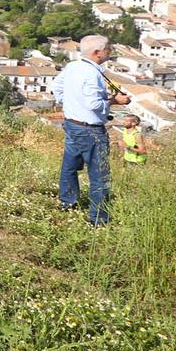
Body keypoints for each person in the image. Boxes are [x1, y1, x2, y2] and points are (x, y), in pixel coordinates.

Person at [51, 34, 131, 226]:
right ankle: (98, 218)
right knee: (99, 174)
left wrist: (71, 104)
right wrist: (115, 101)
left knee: (69, 167)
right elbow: (94, 103)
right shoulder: (92, 74)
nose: (110, 52)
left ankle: (67, 203)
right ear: (97, 53)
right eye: (108, 49)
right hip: (91, 130)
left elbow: (57, 86)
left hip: (72, 124)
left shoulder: (73, 66)